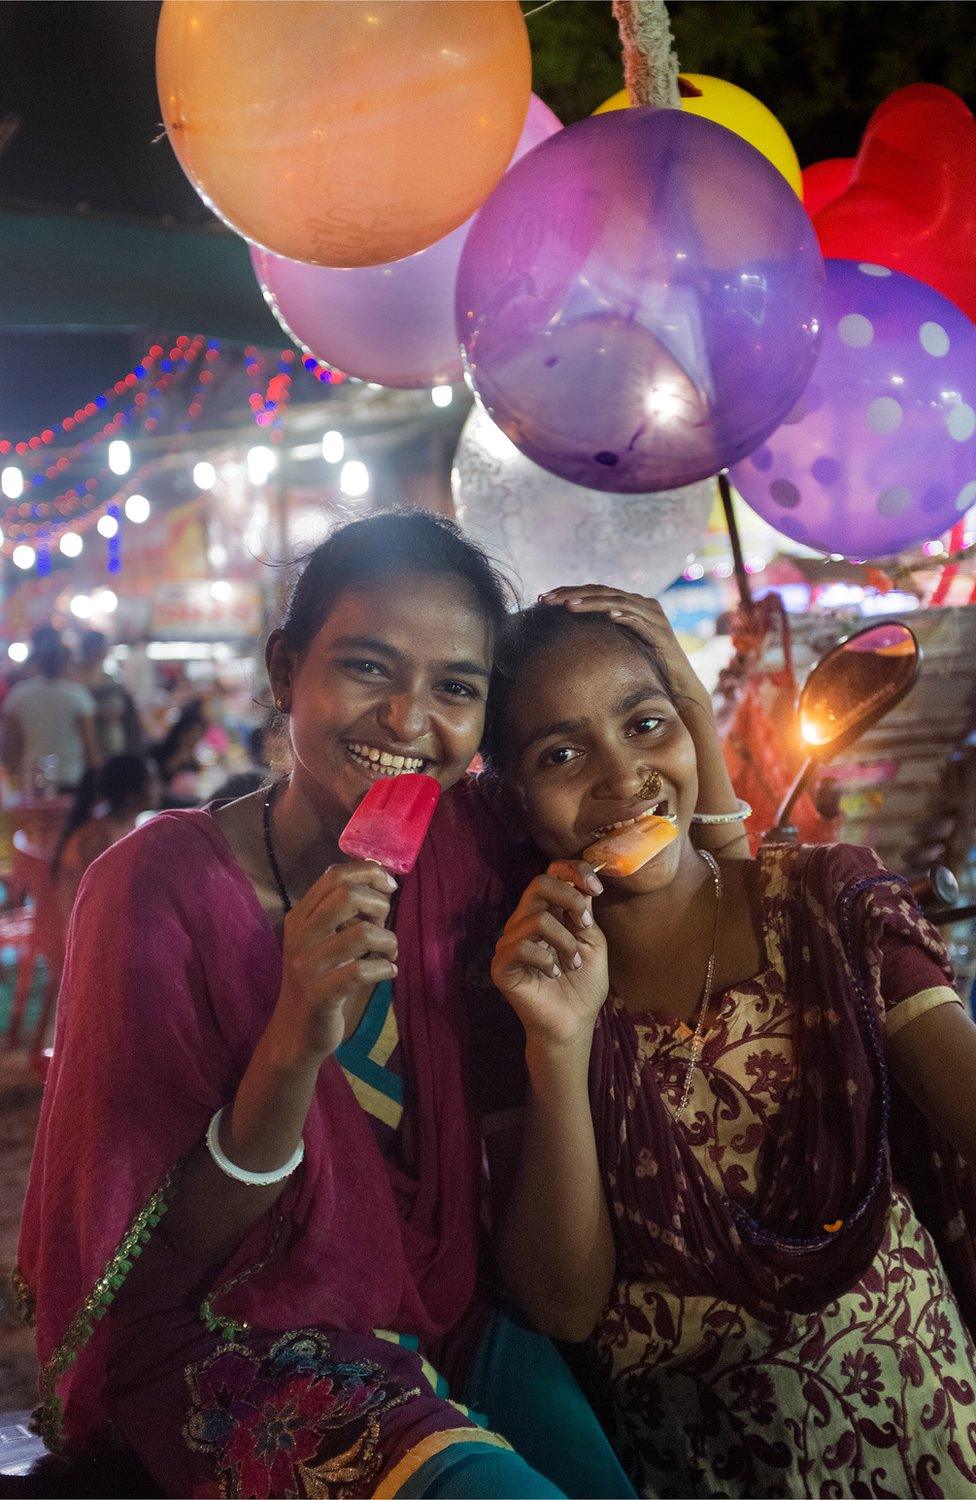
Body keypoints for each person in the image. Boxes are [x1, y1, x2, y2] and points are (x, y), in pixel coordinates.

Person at [16, 513, 633, 1500]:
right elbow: (166, 1259)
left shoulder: (472, 863)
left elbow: (646, 816)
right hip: (237, 1337)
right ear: (282, 670)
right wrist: (295, 1039)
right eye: (365, 667)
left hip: (446, 1307)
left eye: (455, 689)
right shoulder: (155, 888)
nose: (405, 720)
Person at [484, 589, 976, 1499]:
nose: (623, 776)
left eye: (645, 723)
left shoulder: (826, 908)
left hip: (932, 1446)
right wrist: (559, 1044)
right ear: (513, 803)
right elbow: (564, 1303)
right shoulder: (521, 998)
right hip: (700, 1473)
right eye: (562, 752)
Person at [51, 754, 158, 925]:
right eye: (152, 782)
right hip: (86, 933)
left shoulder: (120, 826)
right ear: (130, 792)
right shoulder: (99, 838)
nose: (158, 788)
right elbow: (101, 904)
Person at [2, 626, 99, 792]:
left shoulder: (18, 695)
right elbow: (89, 746)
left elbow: (10, 744)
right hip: (71, 775)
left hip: (32, 778)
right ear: (65, 662)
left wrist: (13, 777)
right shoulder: (78, 695)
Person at [74, 630, 144, 761]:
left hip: (107, 741)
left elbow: (116, 712)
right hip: (86, 743)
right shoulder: (77, 680)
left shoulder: (109, 680)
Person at [149, 697, 208, 806]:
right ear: (182, 731)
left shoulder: (192, 756)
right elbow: (158, 778)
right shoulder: (160, 750)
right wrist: (175, 762)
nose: (195, 739)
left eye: (199, 735)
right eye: (192, 733)